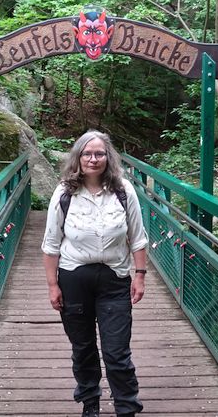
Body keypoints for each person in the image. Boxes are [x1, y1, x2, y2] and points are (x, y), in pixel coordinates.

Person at [42, 130, 148, 417]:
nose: (93, 158)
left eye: (99, 153)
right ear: (78, 157)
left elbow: (138, 238)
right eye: (87, 153)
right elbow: (51, 244)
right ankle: (90, 403)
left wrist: (139, 275)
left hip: (115, 279)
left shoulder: (124, 190)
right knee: (84, 347)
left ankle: (126, 408)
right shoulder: (64, 192)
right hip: (73, 278)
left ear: (108, 157)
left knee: (116, 352)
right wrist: (53, 285)